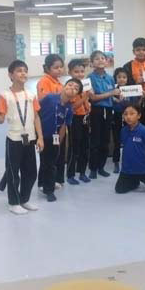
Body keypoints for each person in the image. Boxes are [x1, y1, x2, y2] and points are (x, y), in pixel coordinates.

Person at [0, 60, 44, 215]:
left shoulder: (31, 95)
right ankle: (13, 203)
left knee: (31, 172)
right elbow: (0, 119)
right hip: (14, 139)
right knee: (13, 173)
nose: (23, 73)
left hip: (30, 138)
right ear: (11, 75)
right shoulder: (4, 95)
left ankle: (24, 199)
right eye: (19, 70)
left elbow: (36, 117)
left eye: (25, 71)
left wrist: (40, 137)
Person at [38, 79, 80, 202]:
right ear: (63, 87)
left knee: (50, 162)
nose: (72, 88)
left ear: (76, 95)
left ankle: (47, 188)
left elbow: (63, 127)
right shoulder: (50, 98)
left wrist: (58, 143)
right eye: (70, 85)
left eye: (76, 88)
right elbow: (36, 112)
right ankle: (45, 186)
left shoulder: (69, 109)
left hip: (54, 138)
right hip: (41, 134)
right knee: (45, 161)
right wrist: (38, 135)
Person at [89, 50, 120, 179]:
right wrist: (111, 94)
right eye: (97, 59)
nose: (100, 60)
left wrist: (118, 99)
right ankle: (93, 168)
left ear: (107, 61)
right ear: (92, 63)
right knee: (95, 139)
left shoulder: (110, 78)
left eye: (103, 58)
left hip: (108, 111)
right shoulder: (90, 78)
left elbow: (112, 97)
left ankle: (101, 167)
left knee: (105, 140)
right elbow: (93, 98)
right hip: (96, 111)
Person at [37, 54, 66, 187]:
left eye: (61, 67)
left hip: (59, 123)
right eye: (56, 67)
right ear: (48, 68)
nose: (59, 70)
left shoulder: (60, 83)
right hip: (48, 123)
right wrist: (61, 97)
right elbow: (44, 100)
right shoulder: (44, 81)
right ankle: (43, 182)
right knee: (47, 155)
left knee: (57, 153)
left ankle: (54, 179)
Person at [66, 58, 91, 185]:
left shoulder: (85, 85)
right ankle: (70, 174)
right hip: (74, 119)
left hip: (85, 118)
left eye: (82, 71)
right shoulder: (70, 87)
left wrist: (88, 104)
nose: (80, 74)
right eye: (76, 72)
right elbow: (73, 106)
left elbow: (86, 100)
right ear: (70, 72)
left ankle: (82, 172)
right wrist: (85, 97)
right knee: (74, 147)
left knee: (85, 146)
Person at [122, 37, 145, 125]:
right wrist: (136, 83)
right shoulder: (127, 66)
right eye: (138, 50)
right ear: (133, 51)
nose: (141, 52)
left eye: (144, 50)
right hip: (133, 102)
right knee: (132, 124)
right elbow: (123, 85)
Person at [111, 67, 131, 174]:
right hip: (117, 117)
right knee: (117, 141)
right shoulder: (113, 91)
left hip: (129, 118)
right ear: (115, 78)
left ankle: (128, 160)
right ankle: (116, 162)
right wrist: (115, 99)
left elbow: (134, 104)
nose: (122, 79)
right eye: (119, 77)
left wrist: (142, 97)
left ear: (127, 79)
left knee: (128, 140)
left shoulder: (131, 90)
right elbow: (111, 104)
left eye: (124, 77)